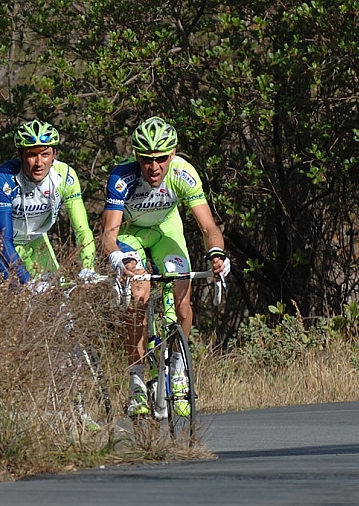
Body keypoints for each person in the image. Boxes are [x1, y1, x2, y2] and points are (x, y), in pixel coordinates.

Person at [101, 116, 231, 417]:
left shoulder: (184, 174)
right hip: (129, 233)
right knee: (139, 294)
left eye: (161, 158)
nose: (154, 167)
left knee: (183, 301)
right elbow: (108, 235)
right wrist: (120, 259)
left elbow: (209, 227)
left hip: (165, 231)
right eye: (146, 159)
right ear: (136, 156)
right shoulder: (122, 177)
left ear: (173, 154)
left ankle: (178, 368)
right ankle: (136, 382)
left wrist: (217, 255)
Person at [0, 119, 96, 292]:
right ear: (20, 155)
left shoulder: (66, 176)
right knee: (19, 295)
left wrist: (88, 267)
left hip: (35, 239)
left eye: (45, 154)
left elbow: (82, 230)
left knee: (56, 298)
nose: (39, 163)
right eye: (31, 155)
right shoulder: (4, 179)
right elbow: (4, 239)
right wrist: (27, 280)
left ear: (55, 154)